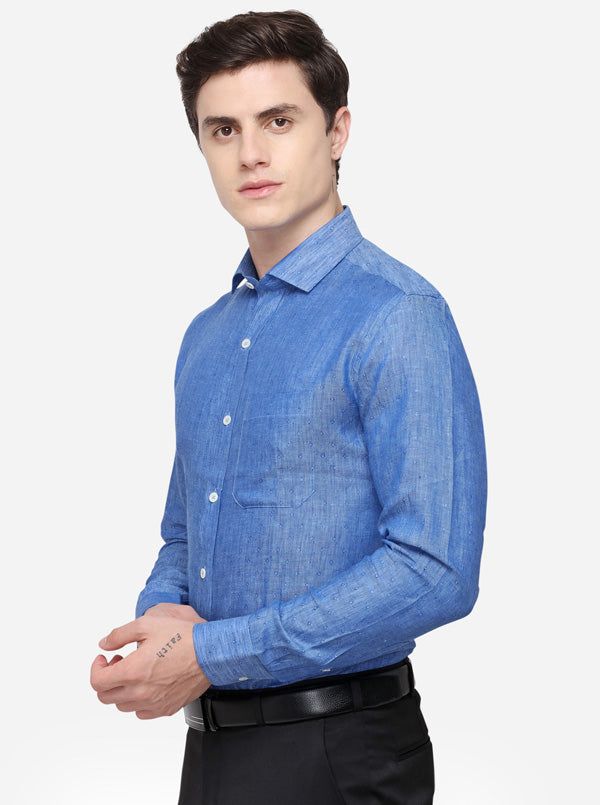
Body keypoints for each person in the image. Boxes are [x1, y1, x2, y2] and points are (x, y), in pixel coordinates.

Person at [90, 10, 486, 804]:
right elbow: (184, 532)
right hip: (211, 748)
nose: (251, 153)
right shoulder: (206, 336)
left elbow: (435, 569)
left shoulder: (397, 315)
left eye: (278, 121)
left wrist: (215, 651)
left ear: (337, 132)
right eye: (223, 130)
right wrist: (159, 625)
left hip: (341, 752)